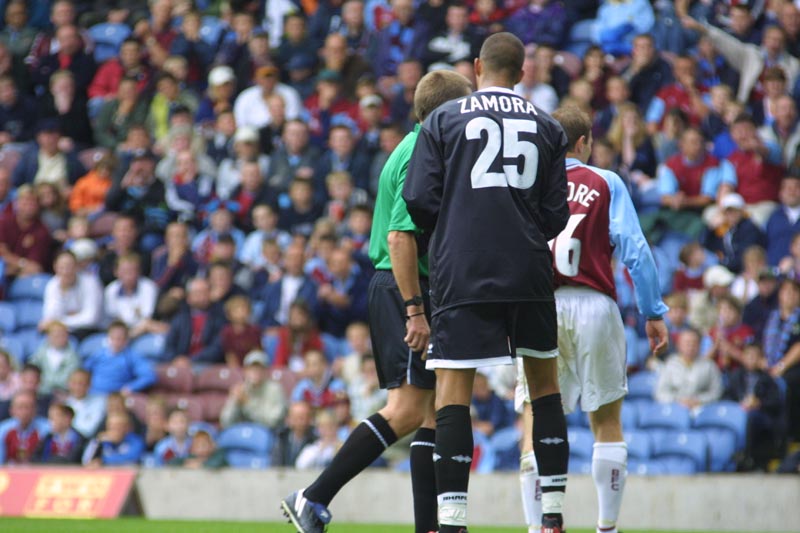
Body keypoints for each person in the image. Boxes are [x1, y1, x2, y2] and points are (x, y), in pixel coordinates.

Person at [281, 68, 473, 533]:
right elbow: (400, 237)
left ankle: (428, 527)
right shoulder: (420, 154)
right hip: (404, 286)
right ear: (445, 113)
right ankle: (313, 496)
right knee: (407, 410)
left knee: (430, 414)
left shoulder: (421, 149)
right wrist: (415, 308)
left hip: (409, 285)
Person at [402, 33, 571, 533]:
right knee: (544, 389)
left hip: (463, 271)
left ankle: (452, 522)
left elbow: (418, 201)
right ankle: (554, 516)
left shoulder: (442, 119)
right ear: (522, 73)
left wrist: (458, 225)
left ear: (477, 67)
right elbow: (556, 212)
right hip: (529, 272)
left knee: (454, 391)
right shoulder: (547, 125)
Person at [511, 106, 670, 533]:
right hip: (595, 304)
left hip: (541, 307)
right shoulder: (606, 181)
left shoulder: (527, 184)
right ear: (584, 142)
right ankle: (606, 527)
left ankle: (536, 526)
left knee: (534, 415)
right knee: (606, 420)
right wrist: (653, 312)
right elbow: (635, 251)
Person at [220, 350, 287, 430]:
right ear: (245, 371)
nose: (256, 372)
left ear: (266, 371)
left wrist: (247, 404)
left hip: (268, 435)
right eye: (252, 368)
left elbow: (272, 422)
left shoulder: (275, 389)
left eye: (260, 368)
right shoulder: (241, 389)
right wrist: (234, 403)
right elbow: (226, 421)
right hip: (242, 433)